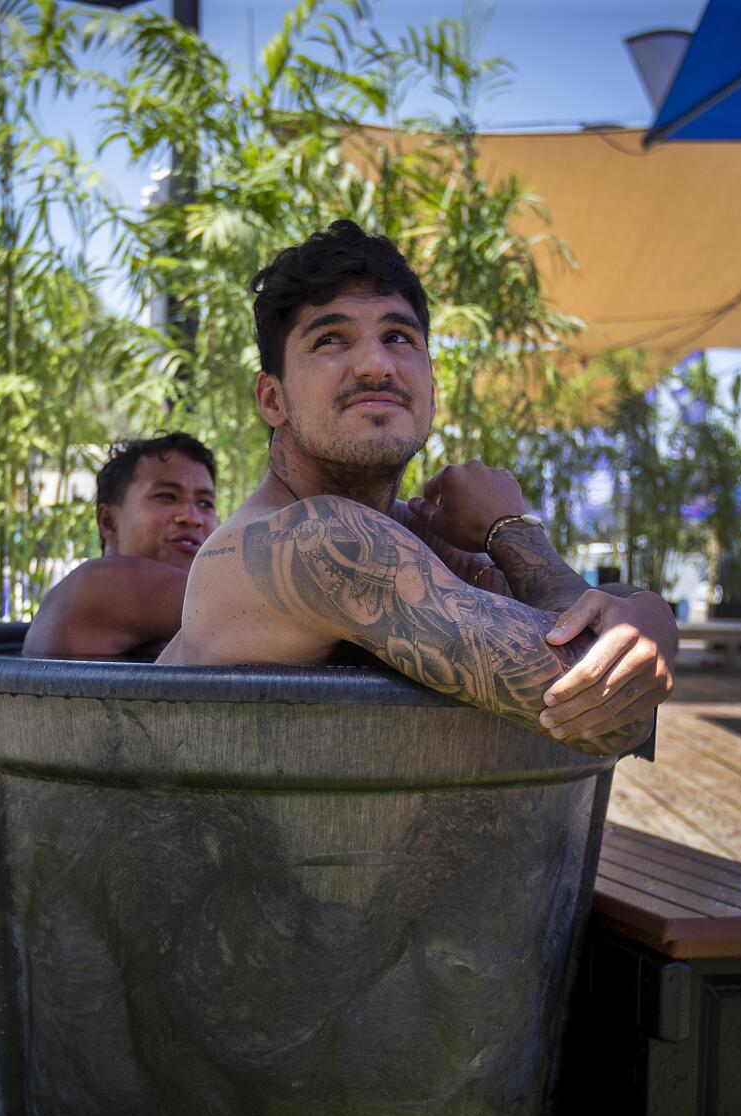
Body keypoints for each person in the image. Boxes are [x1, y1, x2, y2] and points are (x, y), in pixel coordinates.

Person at [162, 220, 675, 755]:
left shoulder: (412, 537)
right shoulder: (314, 540)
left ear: (431, 389)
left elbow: (592, 640)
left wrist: (642, 612)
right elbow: (609, 717)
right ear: (273, 399)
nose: (375, 365)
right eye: (330, 339)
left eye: (398, 338)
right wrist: (513, 529)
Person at [24, 433, 220, 659]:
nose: (192, 517)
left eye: (205, 503)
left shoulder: (173, 622)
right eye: (167, 496)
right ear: (109, 522)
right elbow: (255, 608)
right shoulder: (96, 586)